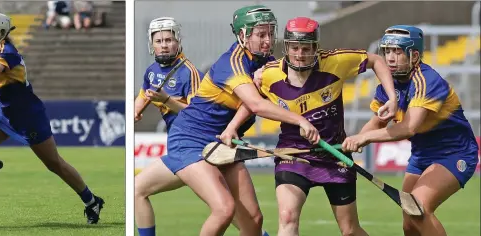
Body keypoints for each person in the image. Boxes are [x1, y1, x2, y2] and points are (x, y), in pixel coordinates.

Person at [155, 6, 321, 236]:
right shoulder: (231, 63)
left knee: (253, 220)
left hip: (224, 142)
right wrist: (301, 121)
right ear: (243, 36)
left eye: (270, 34)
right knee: (224, 210)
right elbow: (255, 105)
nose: (267, 40)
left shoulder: (267, 63)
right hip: (190, 139)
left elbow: (260, 100)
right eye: (260, 35)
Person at [251, 17, 399, 236]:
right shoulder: (269, 74)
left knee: (350, 230)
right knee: (287, 217)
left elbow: (376, 61)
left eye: (305, 48)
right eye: (294, 48)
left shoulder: (336, 62)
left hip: (335, 154)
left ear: (315, 48)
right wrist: (232, 128)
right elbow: (253, 104)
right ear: (287, 47)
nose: (299, 55)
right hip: (294, 155)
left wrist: (392, 98)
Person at [0, 12, 104, 224]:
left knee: (54, 164)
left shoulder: (6, 52)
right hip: (5, 115)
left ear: (1, 31)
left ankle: (91, 200)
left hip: (28, 117)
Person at [341, 25, 479, 236]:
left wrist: (363, 139)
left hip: (455, 153)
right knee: (409, 218)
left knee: (419, 208)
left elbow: (408, 128)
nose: (390, 58)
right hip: (422, 156)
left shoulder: (427, 81)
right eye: (387, 51)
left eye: (397, 52)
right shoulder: (388, 87)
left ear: (414, 55)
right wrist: (351, 142)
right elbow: (376, 123)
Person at [131, 16, 205, 236]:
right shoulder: (152, 70)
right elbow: (145, 92)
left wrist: (166, 101)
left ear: (178, 41)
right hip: (180, 145)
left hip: (192, 146)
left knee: (136, 189)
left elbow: (198, 114)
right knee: (232, 211)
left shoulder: (189, 72)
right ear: (151, 44)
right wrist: (136, 109)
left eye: (169, 39)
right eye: (159, 40)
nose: (164, 44)